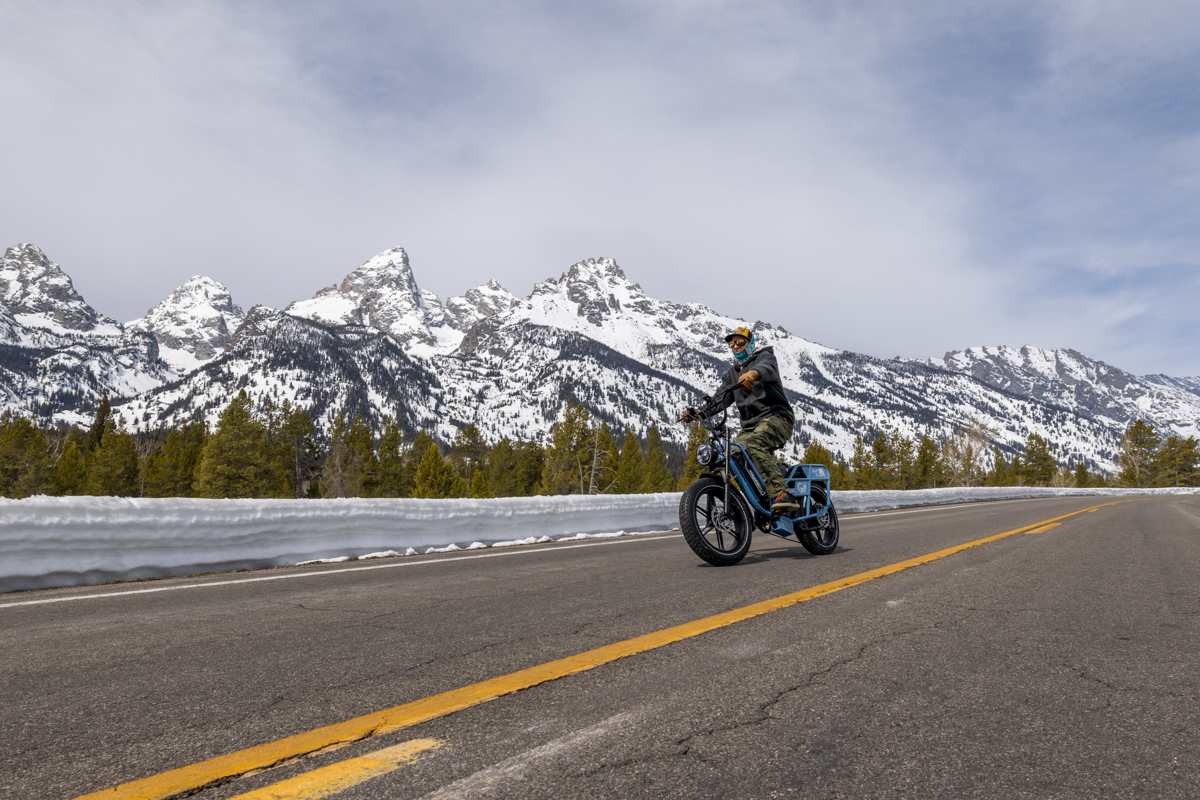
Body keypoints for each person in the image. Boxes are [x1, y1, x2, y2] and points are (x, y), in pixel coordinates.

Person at [683, 326, 798, 511]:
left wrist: (753, 374)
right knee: (735, 453)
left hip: (777, 418)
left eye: (740, 342)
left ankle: (782, 493)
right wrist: (698, 413)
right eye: (732, 343)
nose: (735, 346)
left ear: (750, 343)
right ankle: (759, 496)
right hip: (751, 427)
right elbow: (720, 399)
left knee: (754, 443)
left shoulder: (765, 357)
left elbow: (766, 368)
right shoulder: (732, 374)